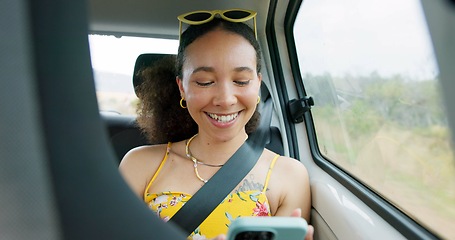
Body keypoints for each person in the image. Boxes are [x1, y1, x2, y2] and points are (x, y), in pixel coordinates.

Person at [120, 9, 313, 240]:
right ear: (182, 87)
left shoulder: (290, 176)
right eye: (205, 82)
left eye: (241, 81)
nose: (225, 99)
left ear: (257, 84)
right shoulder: (140, 165)